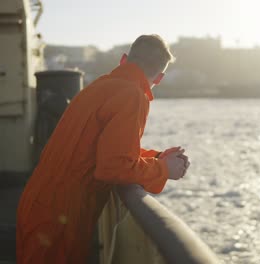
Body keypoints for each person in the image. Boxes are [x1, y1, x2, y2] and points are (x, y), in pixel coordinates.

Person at [16, 34, 190, 263]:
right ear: (159, 77)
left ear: (123, 60)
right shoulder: (132, 95)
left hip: (40, 204)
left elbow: (103, 148)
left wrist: (157, 157)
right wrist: (164, 169)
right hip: (61, 218)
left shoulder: (97, 87)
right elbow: (113, 167)